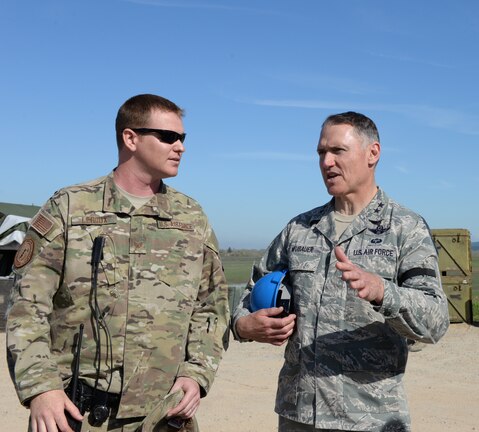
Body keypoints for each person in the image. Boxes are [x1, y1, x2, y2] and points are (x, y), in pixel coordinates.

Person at [6, 94, 230, 432]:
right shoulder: (71, 208)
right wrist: (40, 387)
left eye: (183, 138)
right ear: (131, 138)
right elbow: (26, 306)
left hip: (163, 418)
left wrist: (196, 374)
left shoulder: (191, 217)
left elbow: (212, 306)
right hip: (78, 415)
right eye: (168, 136)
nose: (180, 147)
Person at [231, 111, 450, 431]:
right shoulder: (299, 229)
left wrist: (382, 291)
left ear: (373, 153)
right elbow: (251, 292)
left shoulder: (405, 228)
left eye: (338, 151)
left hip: (370, 418)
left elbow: (435, 323)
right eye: (321, 152)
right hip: (299, 415)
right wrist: (244, 325)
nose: (327, 162)